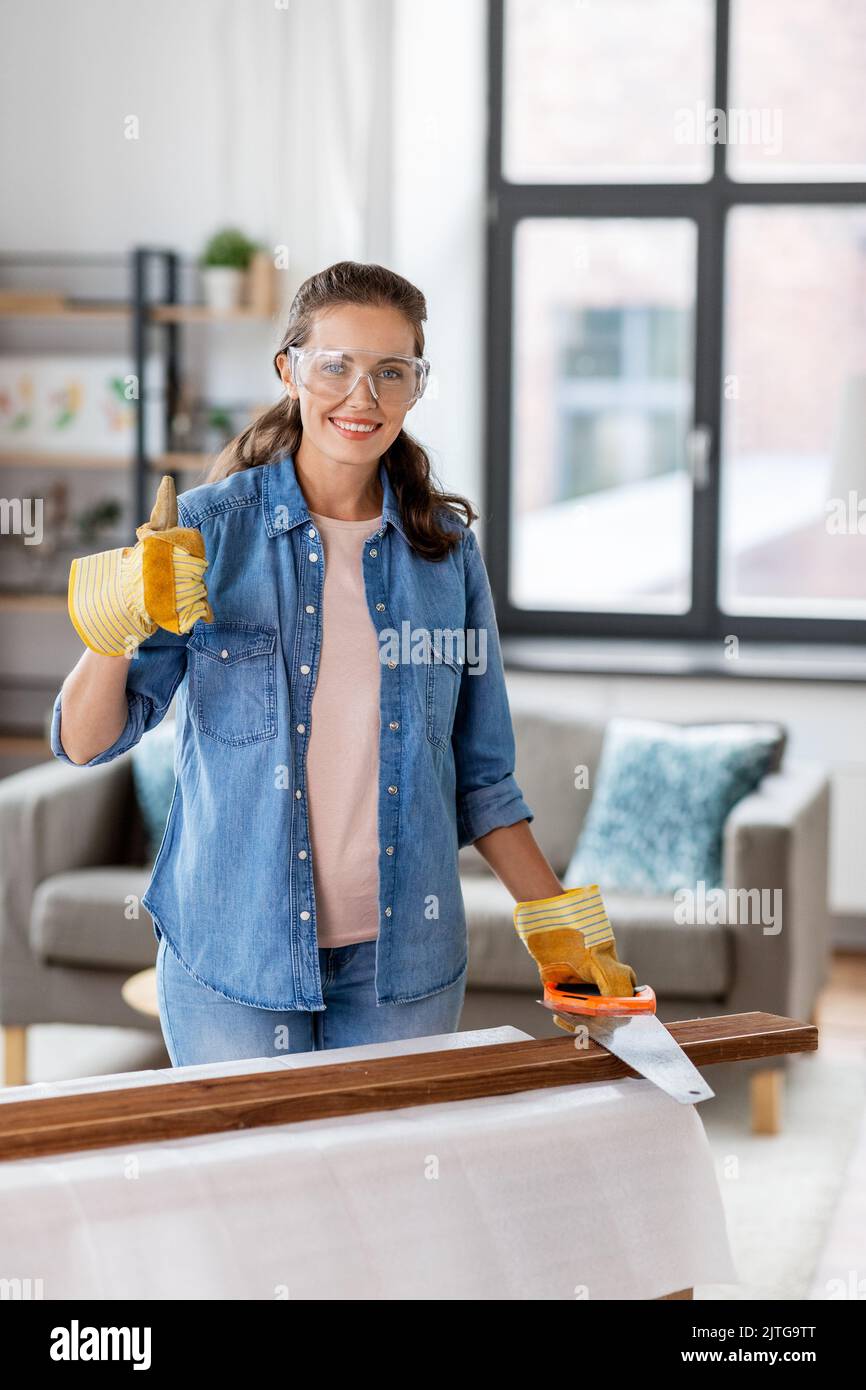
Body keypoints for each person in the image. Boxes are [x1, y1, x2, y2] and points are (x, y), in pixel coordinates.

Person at [51, 260, 636, 1066]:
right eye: (337, 366)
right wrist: (111, 631)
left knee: (387, 1188)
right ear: (291, 371)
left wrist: (570, 940)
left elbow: (484, 779)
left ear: (415, 387)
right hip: (231, 953)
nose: (362, 397)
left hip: (403, 964)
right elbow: (88, 741)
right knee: (252, 1188)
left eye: (390, 372)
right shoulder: (204, 533)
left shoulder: (446, 555)